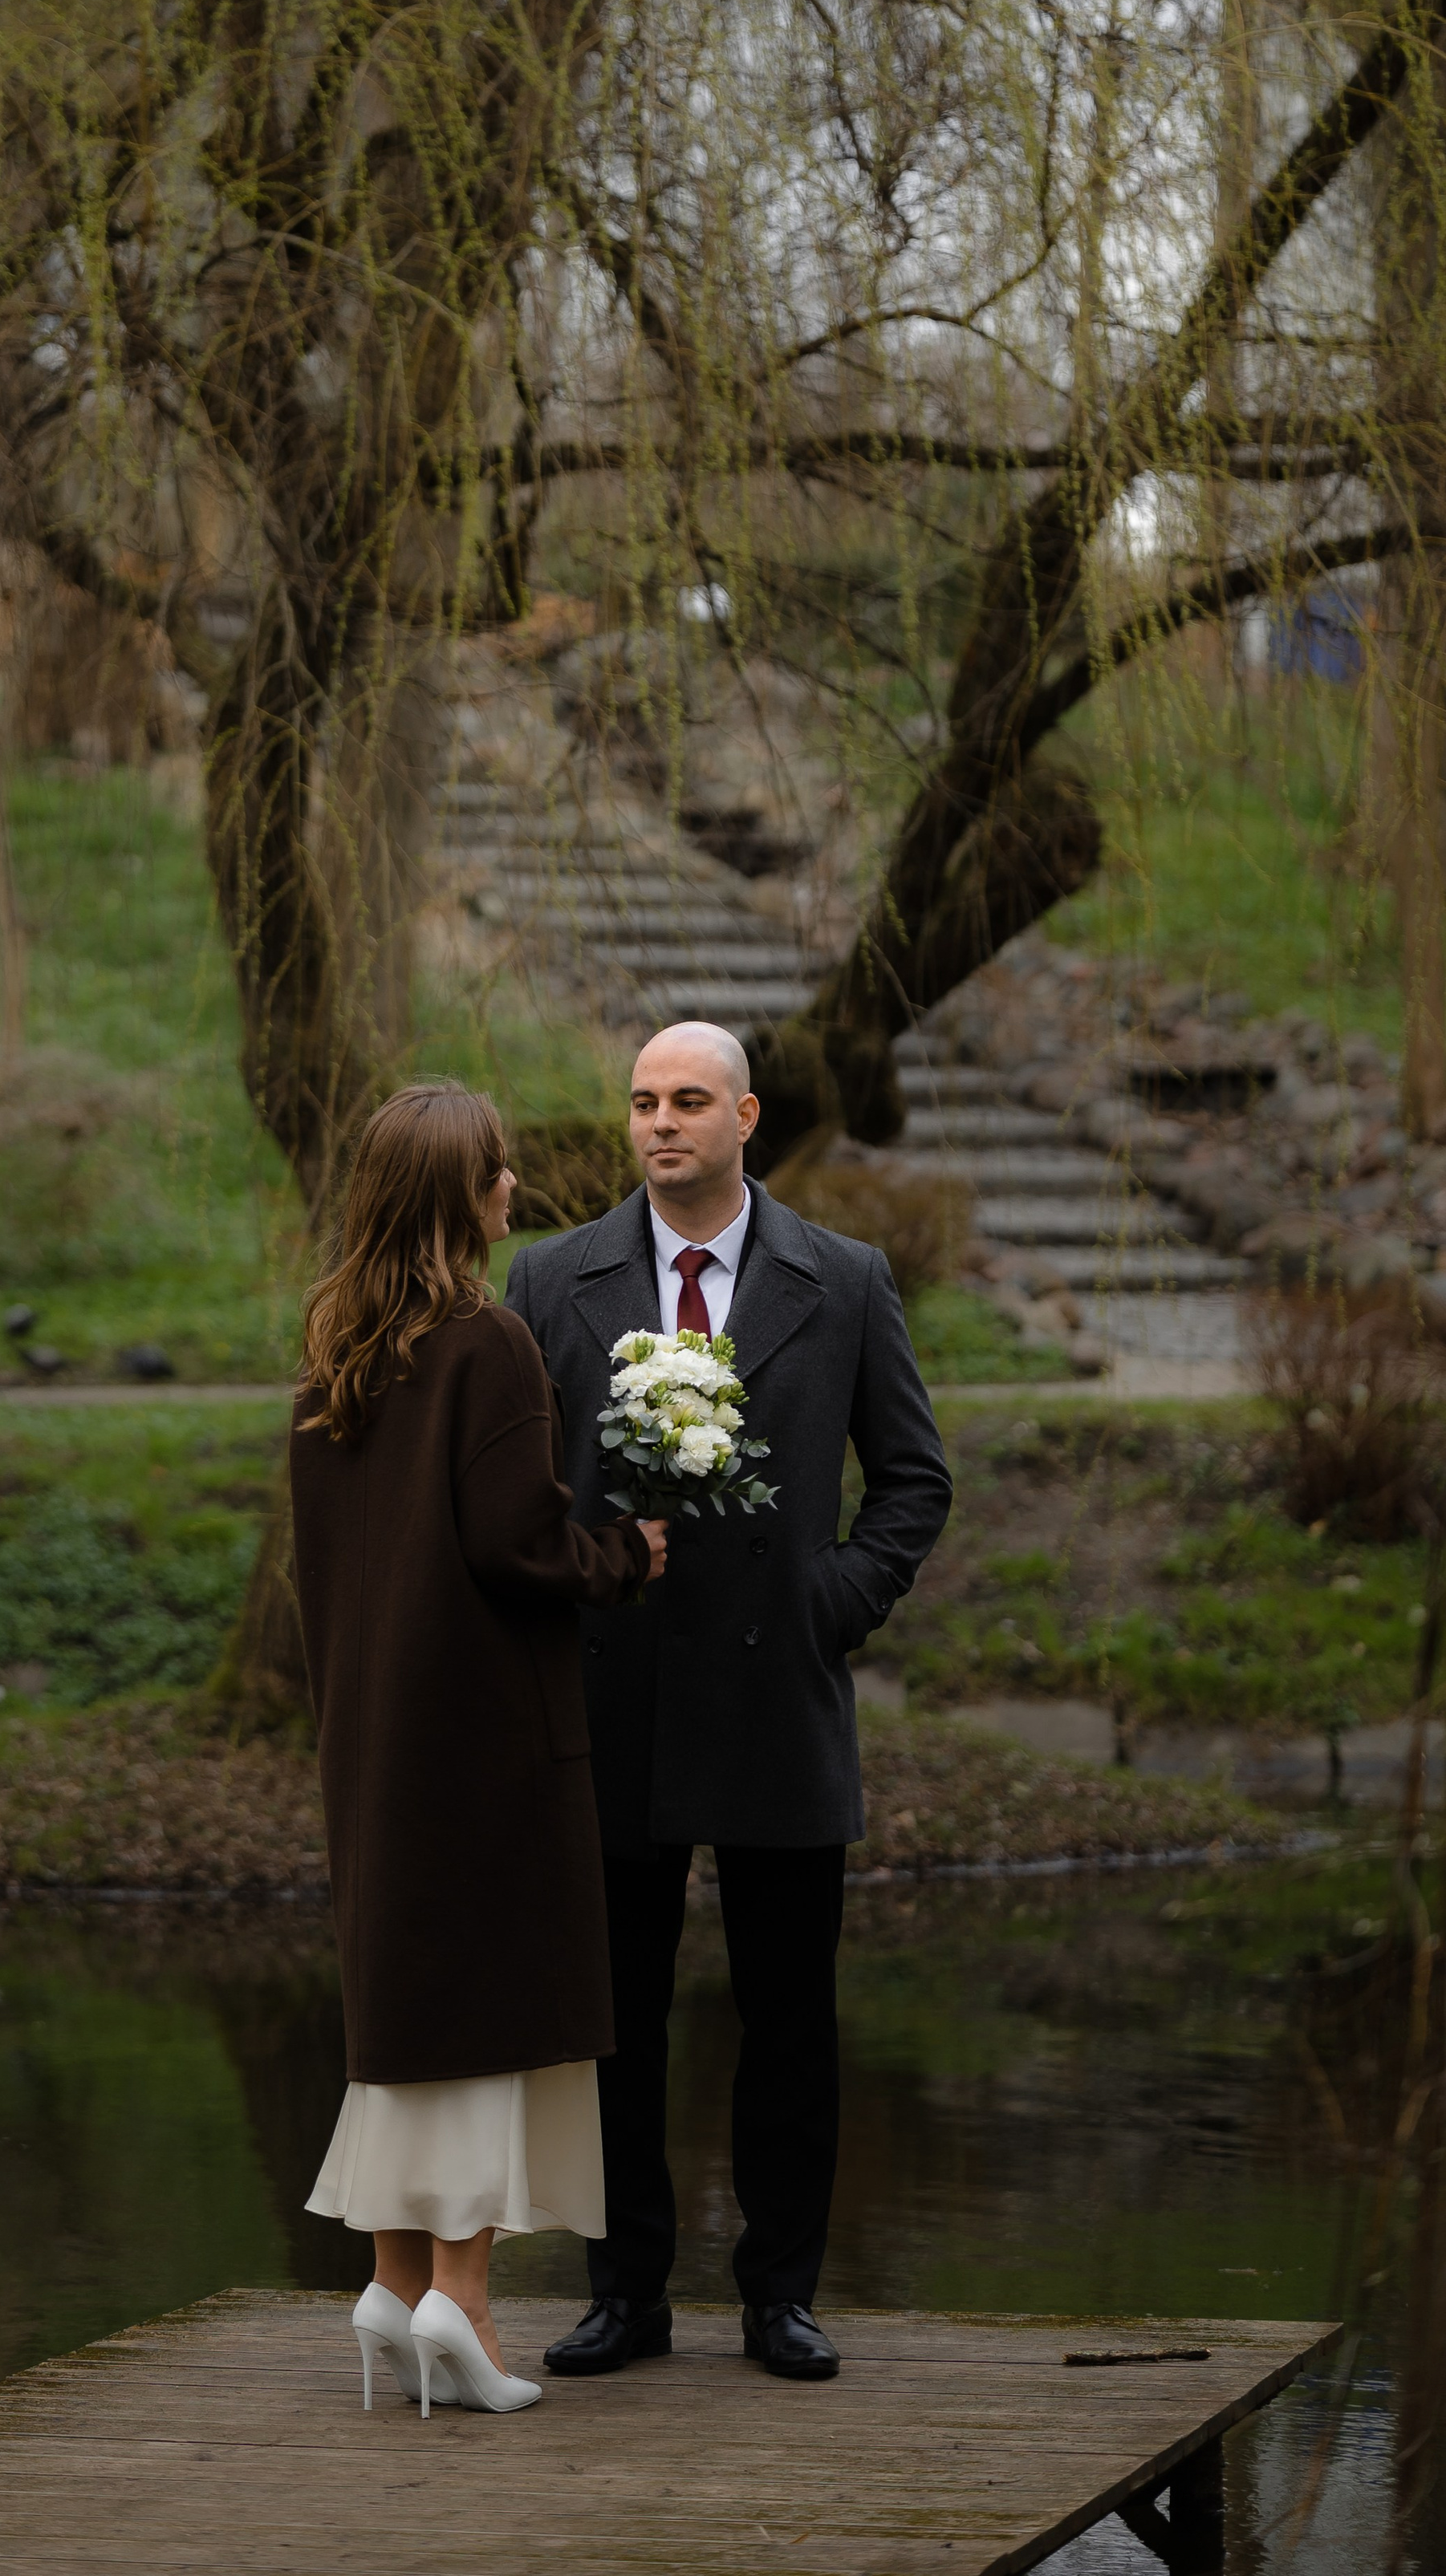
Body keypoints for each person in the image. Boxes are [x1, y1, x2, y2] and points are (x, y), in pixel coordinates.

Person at [506, 1021, 951, 2382]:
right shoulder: (551, 1276)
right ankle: (626, 2292)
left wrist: (829, 1605)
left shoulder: (848, 1278)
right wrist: (576, 1582)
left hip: (777, 1694)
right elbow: (515, 1495)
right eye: (642, 1101)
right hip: (616, 1693)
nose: (660, 1123)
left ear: (747, 1114)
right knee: (615, 2022)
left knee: (788, 2021)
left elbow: (915, 1483)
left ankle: (780, 2297)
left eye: (688, 1099)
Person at [291, 1081, 668, 2418]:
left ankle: (393, 2293)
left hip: (373, 1733)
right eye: (501, 1172)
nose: (518, 1188)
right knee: (495, 2019)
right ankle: (465, 2299)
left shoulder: (337, 1348)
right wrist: (627, 1551)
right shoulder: (487, 1342)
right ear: (468, 1194)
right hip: (490, 1737)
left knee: (412, 2015)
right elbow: (518, 1542)